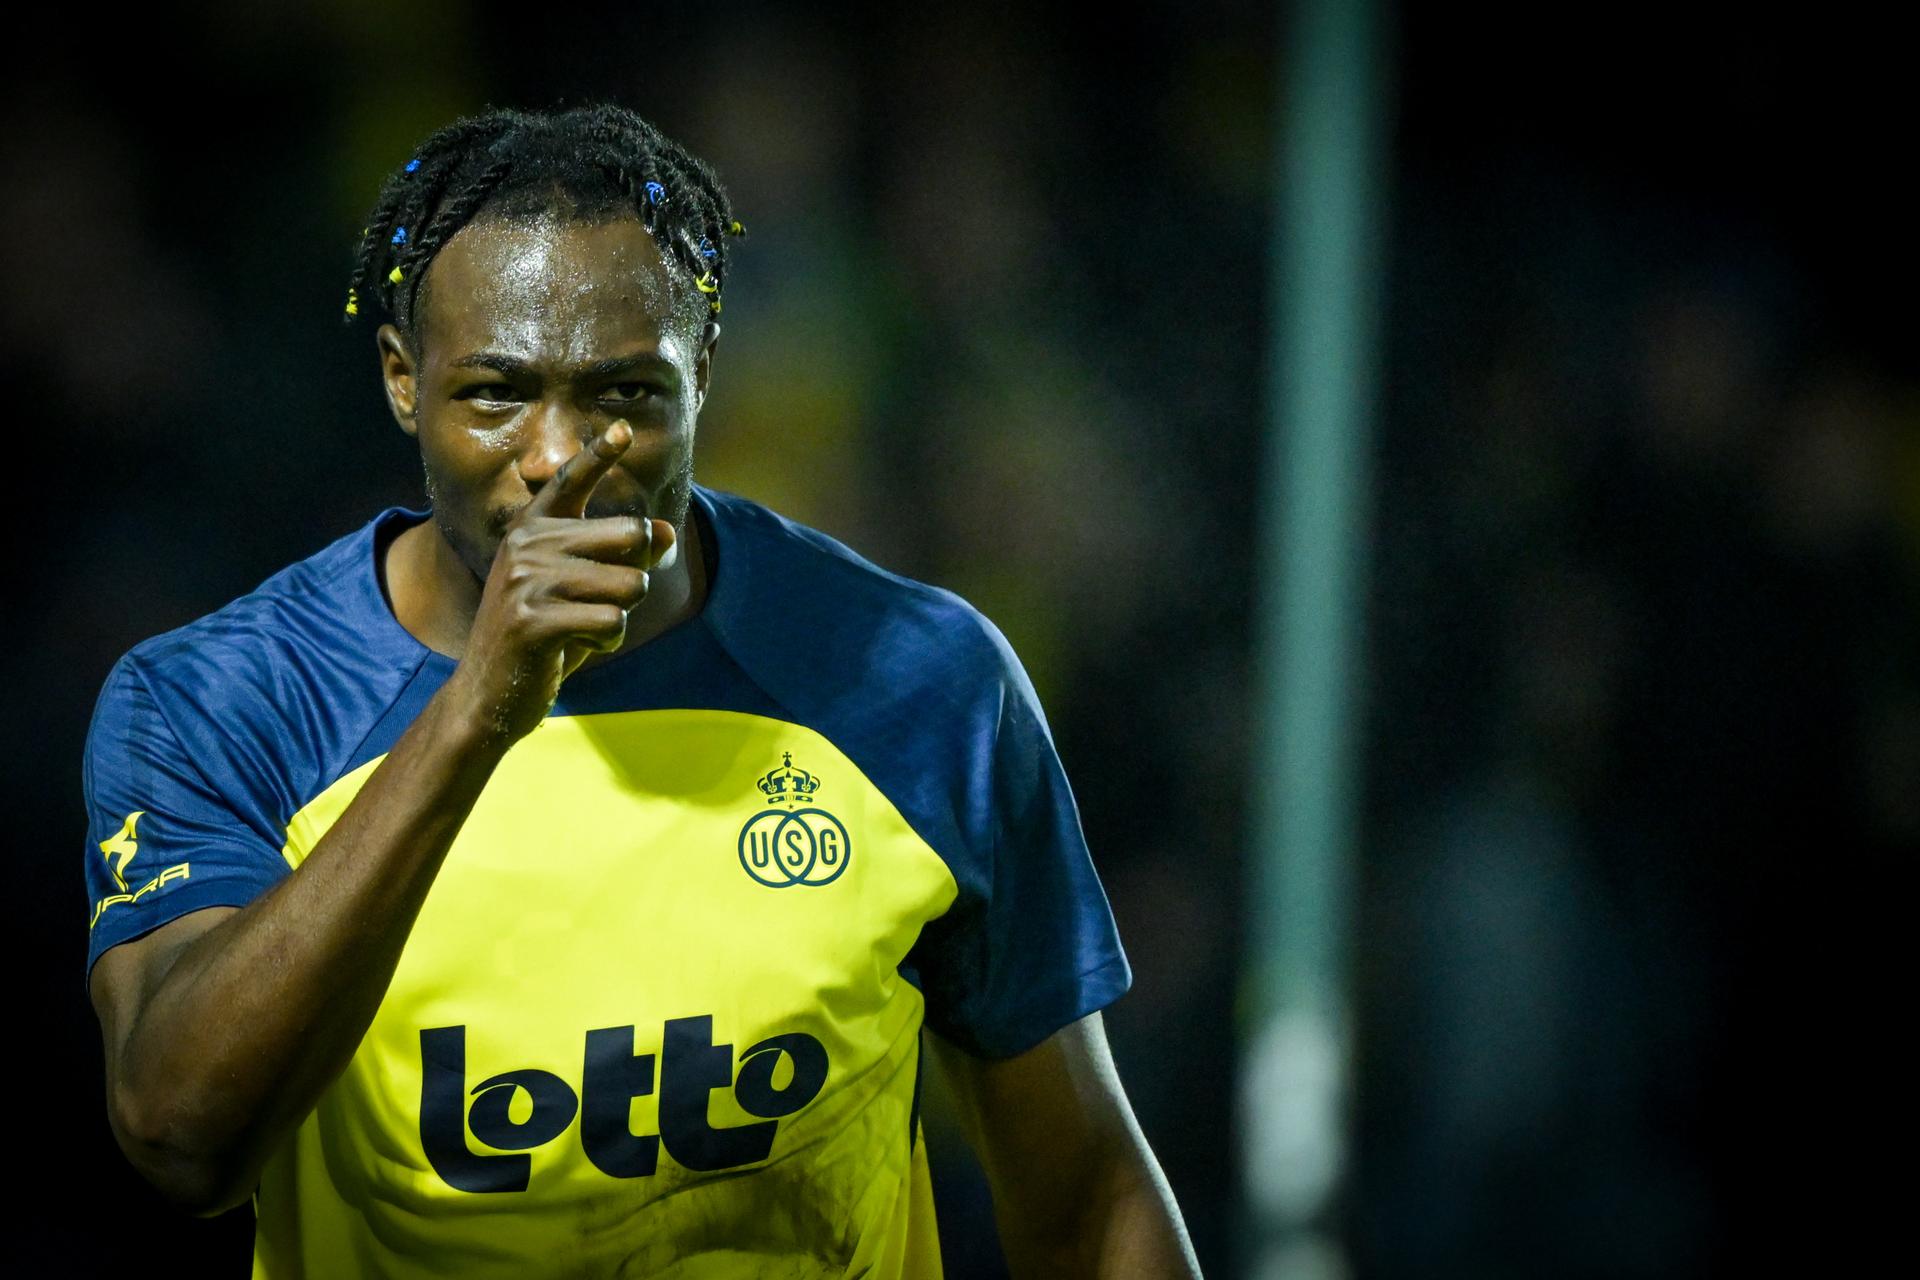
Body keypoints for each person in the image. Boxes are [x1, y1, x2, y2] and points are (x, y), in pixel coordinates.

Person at [81, 102, 1199, 1278]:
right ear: (405, 381)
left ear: (703, 374)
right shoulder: (220, 700)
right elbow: (182, 1135)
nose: (560, 455)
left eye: (623, 394)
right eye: (496, 393)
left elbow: (1088, 1202)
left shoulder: (918, 679)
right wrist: (475, 712)